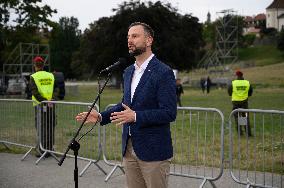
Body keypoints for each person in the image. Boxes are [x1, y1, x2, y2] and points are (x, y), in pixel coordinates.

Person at [76, 22, 177, 188]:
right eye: (128, 36)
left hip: (154, 152)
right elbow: (125, 105)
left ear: (149, 40)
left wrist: (136, 116)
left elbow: (169, 112)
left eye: (135, 36)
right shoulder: (128, 71)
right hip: (129, 149)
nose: (130, 40)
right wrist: (101, 116)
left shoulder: (163, 72)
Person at [30, 56, 57, 157]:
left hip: (40, 106)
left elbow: (34, 92)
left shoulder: (33, 77)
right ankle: (50, 149)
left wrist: (44, 101)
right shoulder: (51, 75)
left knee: (41, 127)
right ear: (43, 65)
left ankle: (43, 150)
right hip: (51, 105)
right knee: (51, 126)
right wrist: (51, 100)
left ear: (35, 65)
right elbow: (56, 89)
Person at [228, 70, 253, 136]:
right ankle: (248, 133)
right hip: (244, 103)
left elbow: (229, 92)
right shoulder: (247, 83)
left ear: (237, 76)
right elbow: (250, 93)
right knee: (245, 117)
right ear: (242, 76)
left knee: (237, 117)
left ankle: (240, 133)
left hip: (235, 103)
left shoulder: (233, 83)